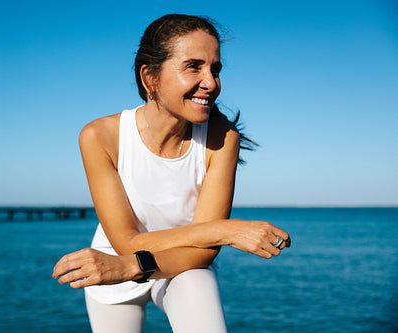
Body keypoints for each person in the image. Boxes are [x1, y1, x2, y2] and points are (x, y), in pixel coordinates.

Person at [53, 14, 290, 333]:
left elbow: (203, 252)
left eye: (215, 69)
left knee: (197, 285)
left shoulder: (222, 138)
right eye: (194, 66)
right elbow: (127, 242)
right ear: (150, 77)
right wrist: (225, 230)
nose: (211, 82)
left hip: (183, 264)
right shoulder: (100, 136)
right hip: (110, 270)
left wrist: (218, 232)